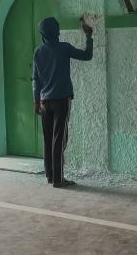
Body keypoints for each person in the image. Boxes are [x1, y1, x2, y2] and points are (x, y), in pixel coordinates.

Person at [32, 15, 94, 188]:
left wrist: (36, 100)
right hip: (61, 101)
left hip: (44, 101)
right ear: (57, 32)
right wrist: (89, 37)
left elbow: (35, 79)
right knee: (60, 139)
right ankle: (59, 179)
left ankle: (51, 176)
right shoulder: (64, 48)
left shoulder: (38, 51)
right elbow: (87, 56)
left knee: (48, 139)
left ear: (42, 34)